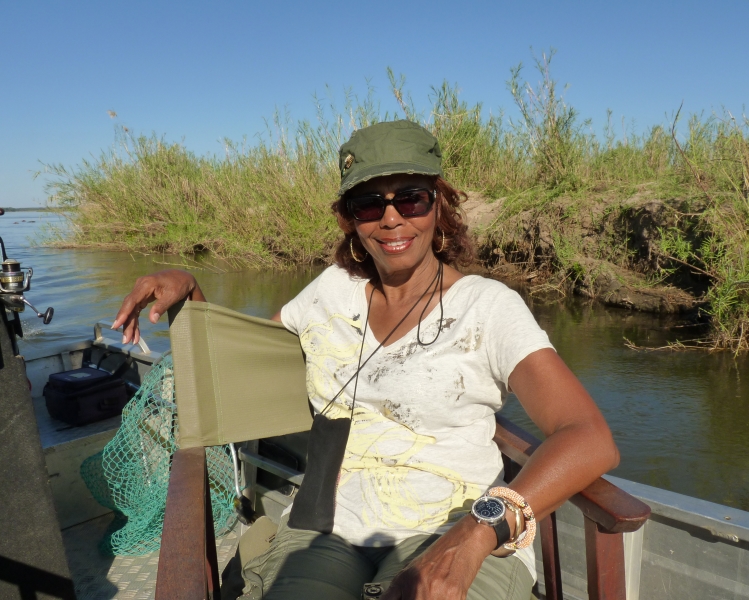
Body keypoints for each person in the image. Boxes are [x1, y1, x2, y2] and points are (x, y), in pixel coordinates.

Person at [113, 120, 619, 600]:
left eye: (411, 198)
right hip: (327, 527)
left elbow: (587, 436)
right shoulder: (332, 291)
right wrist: (190, 291)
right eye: (369, 204)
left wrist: (475, 535)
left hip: (453, 525)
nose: (391, 218)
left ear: (439, 204)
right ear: (349, 218)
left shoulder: (488, 307)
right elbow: (240, 367)